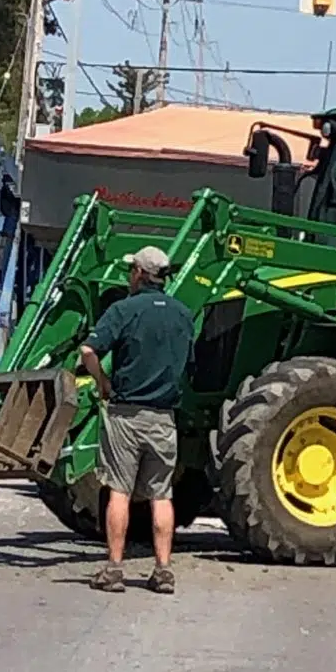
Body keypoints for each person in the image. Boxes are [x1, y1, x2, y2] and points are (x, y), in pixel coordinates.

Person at [78, 245, 195, 595]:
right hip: (163, 417)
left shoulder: (123, 310)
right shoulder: (183, 314)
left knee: (120, 492)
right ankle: (163, 571)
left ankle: (114, 569)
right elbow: (190, 365)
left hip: (126, 414)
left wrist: (103, 383)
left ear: (140, 274)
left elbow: (88, 350)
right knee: (161, 494)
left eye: (132, 271)